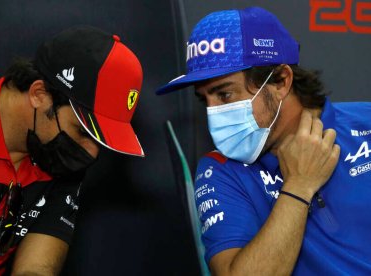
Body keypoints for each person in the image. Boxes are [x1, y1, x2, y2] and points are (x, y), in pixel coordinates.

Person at [156, 6, 371, 275]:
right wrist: (298, 187)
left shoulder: (366, 123)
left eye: (224, 95)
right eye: (204, 100)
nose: (212, 113)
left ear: (281, 81)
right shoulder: (220, 171)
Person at [0, 26, 144, 275]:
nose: (91, 153)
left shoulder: (60, 163)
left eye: (100, 142)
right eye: (82, 132)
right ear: (39, 94)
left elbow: (35, 269)